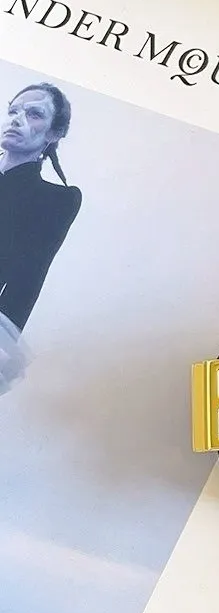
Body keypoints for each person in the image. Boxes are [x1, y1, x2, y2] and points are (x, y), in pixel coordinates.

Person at [0, 84, 81, 391]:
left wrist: (3, 348)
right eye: (13, 111)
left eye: (34, 114)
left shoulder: (56, 199)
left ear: (53, 133)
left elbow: (28, 280)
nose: (17, 119)